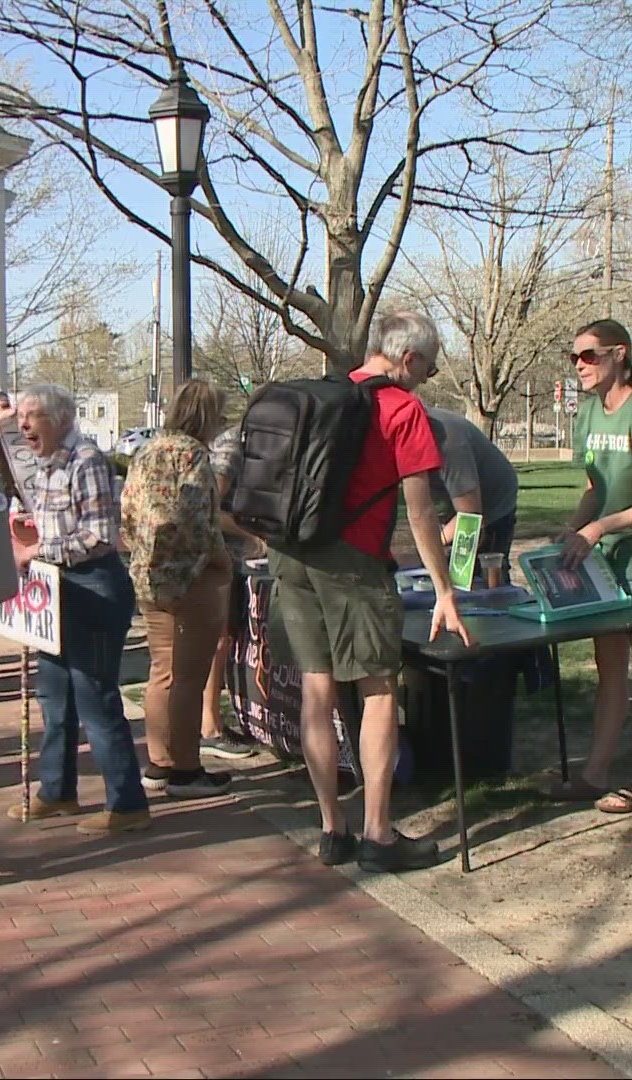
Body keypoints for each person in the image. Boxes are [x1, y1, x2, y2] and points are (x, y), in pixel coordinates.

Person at [268, 312, 470, 872]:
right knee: (379, 688)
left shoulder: (329, 393)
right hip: (353, 563)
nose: (427, 378)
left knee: (317, 689)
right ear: (408, 360)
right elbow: (422, 510)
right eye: (426, 367)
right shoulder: (403, 410)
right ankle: (378, 834)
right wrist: (443, 587)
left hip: (295, 553)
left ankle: (333, 829)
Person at [6, 383, 150, 836]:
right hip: (56, 591)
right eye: (21, 416)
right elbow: (57, 523)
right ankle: (57, 789)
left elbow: (99, 536)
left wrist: (38, 551)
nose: (24, 424)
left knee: (94, 695)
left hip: (93, 589)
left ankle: (126, 802)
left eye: (33, 415)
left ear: (61, 419)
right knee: (54, 695)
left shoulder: (85, 460)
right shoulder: (46, 463)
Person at [554, 318, 632, 814]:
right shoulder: (587, 415)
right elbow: (594, 488)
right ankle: (594, 773)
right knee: (609, 670)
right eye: (575, 358)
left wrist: (602, 527)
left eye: (589, 355)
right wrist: (575, 528)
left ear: (619, 355)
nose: (580, 366)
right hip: (602, 564)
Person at [121, 380, 235, 799]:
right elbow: (199, 521)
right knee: (189, 677)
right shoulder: (192, 455)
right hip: (192, 578)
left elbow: (129, 511)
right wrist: (222, 560)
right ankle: (187, 768)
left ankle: (159, 762)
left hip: (149, 574)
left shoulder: (146, 451)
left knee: (162, 672)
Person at [199, 419, 261, 760]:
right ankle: (209, 726)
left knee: (220, 639)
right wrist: (252, 536)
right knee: (217, 639)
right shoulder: (232, 446)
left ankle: (209, 722)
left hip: (221, 558)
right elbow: (211, 507)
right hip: (217, 559)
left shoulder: (240, 444)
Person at [425, 403, 521, 569]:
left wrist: (433, 545)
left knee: (478, 571)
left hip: (492, 502)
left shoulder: (447, 440)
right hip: (454, 497)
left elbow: (471, 516)